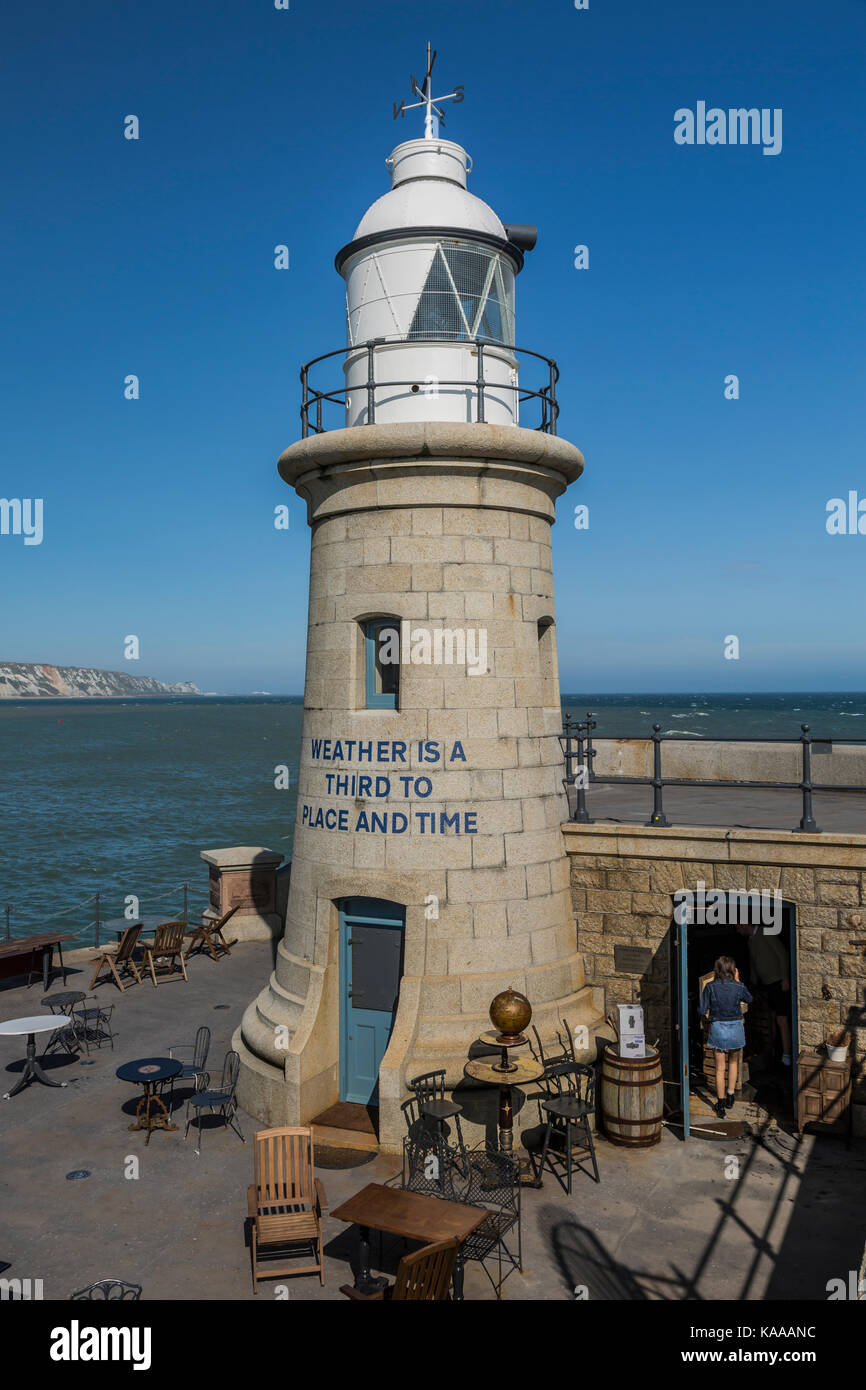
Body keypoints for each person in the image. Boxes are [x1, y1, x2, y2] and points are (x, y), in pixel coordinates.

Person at [699, 956, 753, 1119]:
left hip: (718, 1027)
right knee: (734, 1063)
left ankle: (721, 1103)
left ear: (717, 970)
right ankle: (731, 1095)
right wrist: (737, 980)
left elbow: (702, 1010)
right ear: (733, 970)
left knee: (720, 1068)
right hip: (735, 1027)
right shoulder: (739, 986)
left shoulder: (710, 987)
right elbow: (750, 999)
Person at [736, 922, 792, 1067]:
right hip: (767, 984)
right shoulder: (750, 941)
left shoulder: (765, 932)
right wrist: (753, 985)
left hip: (779, 982)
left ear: (744, 924)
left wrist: (785, 978)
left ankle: (787, 1056)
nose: (737, 930)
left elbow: (782, 954)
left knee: (782, 1019)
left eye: (738, 926)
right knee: (773, 1018)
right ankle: (775, 1051)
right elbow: (754, 964)